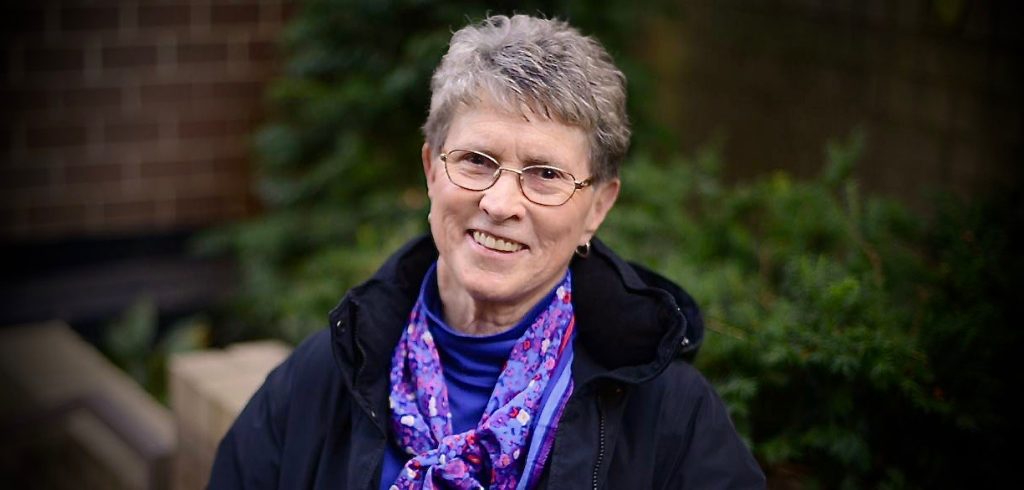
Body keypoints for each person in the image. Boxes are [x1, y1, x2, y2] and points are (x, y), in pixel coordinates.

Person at [209, 14, 765, 489]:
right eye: (476, 160)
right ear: (431, 170)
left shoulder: (673, 416)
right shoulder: (322, 377)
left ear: (596, 207)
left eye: (545, 174)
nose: (500, 203)